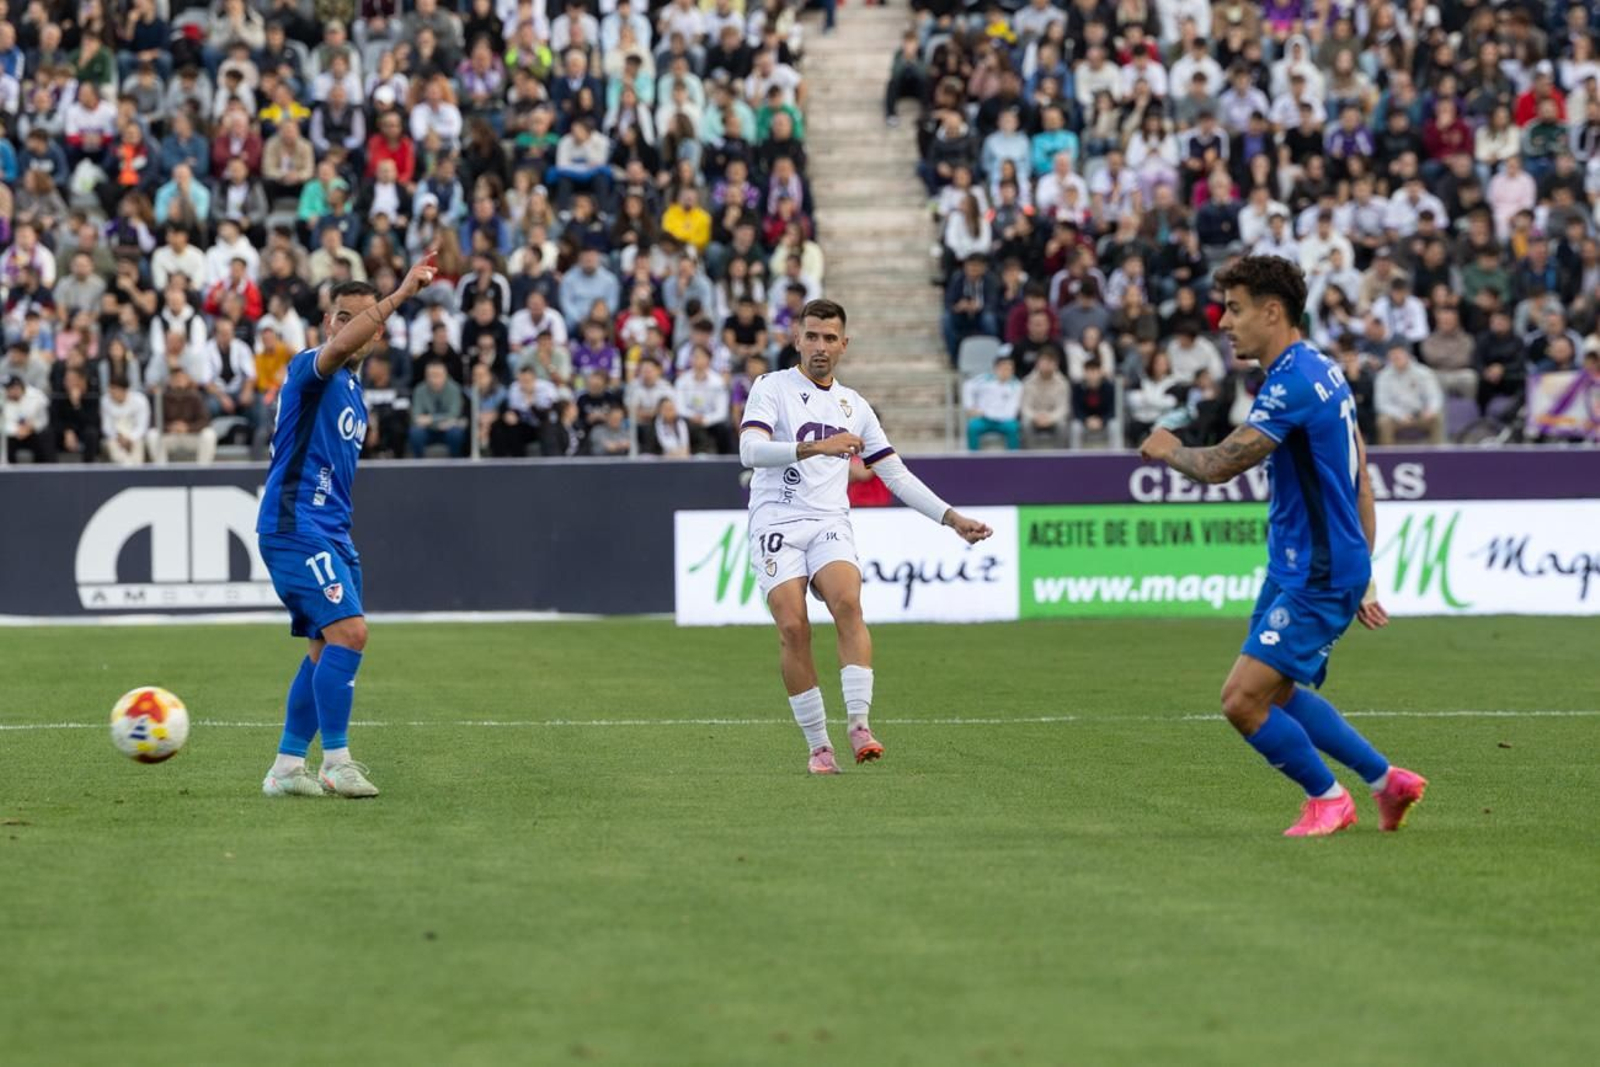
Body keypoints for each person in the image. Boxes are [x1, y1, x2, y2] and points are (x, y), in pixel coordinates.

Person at [1137, 255, 1427, 837]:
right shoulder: (1321, 368)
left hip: (1317, 573)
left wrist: (1167, 449)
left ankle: (1329, 799)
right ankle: (1386, 782)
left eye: (1235, 309)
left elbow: (1220, 465)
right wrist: (1365, 570)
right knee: (1280, 691)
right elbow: (1360, 473)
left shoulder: (1291, 384)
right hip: (1304, 565)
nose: (1224, 323)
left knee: (1242, 701)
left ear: (1273, 312)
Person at [738, 299, 993, 774]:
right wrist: (818, 446)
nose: (820, 346)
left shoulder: (854, 406)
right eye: (812, 336)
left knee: (848, 603)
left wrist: (951, 518)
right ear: (797, 340)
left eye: (829, 338)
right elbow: (750, 451)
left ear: (844, 345)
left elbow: (894, 475)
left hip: (829, 521)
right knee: (793, 628)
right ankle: (819, 747)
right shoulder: (771, 387)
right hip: (776, 521)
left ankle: (859, 724)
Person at [256, 251, 440, 800]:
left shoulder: (356, 394)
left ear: (376, 336)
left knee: (323, 647)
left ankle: (286, 768)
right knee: (351, 632)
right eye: (342, 316)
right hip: (295, 525)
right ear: (327, 322)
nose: (350, 327)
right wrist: (400, 293)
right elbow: (337, 349)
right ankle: (337, 762)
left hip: (333, 531)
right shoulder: (311, 368)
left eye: (363, 319)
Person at [1375, 345, 1446, 444]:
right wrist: (1400, 415)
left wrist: (1430, 410)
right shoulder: (1383, 376)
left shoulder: (1424, 372)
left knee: (1437, 417)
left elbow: (1435, 396)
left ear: (1407, 356)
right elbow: (1381, 403)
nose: (1396, 359)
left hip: (1421, 415)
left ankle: (1437, 451)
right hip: (1397, 417)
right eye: (1393, 357)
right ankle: (1388, 453)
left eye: (1399, 356)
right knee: (1383, 421)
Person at [963, 352, 1024, 450]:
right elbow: (967, 386)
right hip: (984, 419)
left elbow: (1013, 408)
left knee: (1013, 428)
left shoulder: (1017, 386)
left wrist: (1001, 416)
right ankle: (973, 457)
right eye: (1003, 368)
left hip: (1005, 421)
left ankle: (1013, 457)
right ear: (996, 368)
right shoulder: (984, 379)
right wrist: (970, 407)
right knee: (972, 427)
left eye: (1009, 369)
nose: (1006, 372)